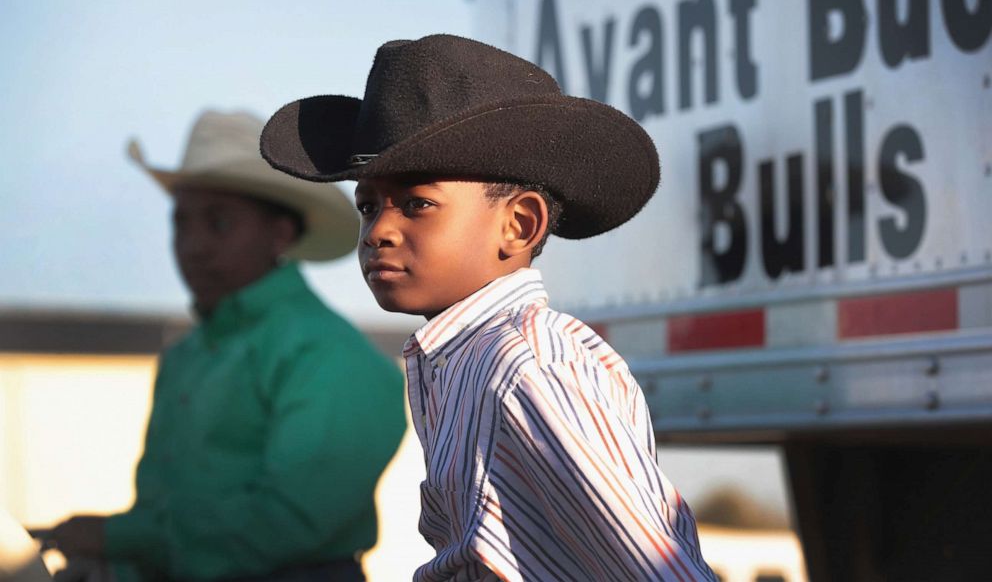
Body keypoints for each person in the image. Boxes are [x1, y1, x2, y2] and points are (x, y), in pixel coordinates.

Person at [260, 35, 717, 581]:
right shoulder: (459, 360)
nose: (380, 230)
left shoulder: (530, 368)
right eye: (368, 205)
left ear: (518, 225)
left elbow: (654, 570)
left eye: (417, 204)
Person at [50, 110, 406, 582]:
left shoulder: (331, 357)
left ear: (280, 233)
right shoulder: (187, 357)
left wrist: (116, 541)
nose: (192, 246)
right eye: (181, 223)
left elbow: (289, 523)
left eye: (218, 223)